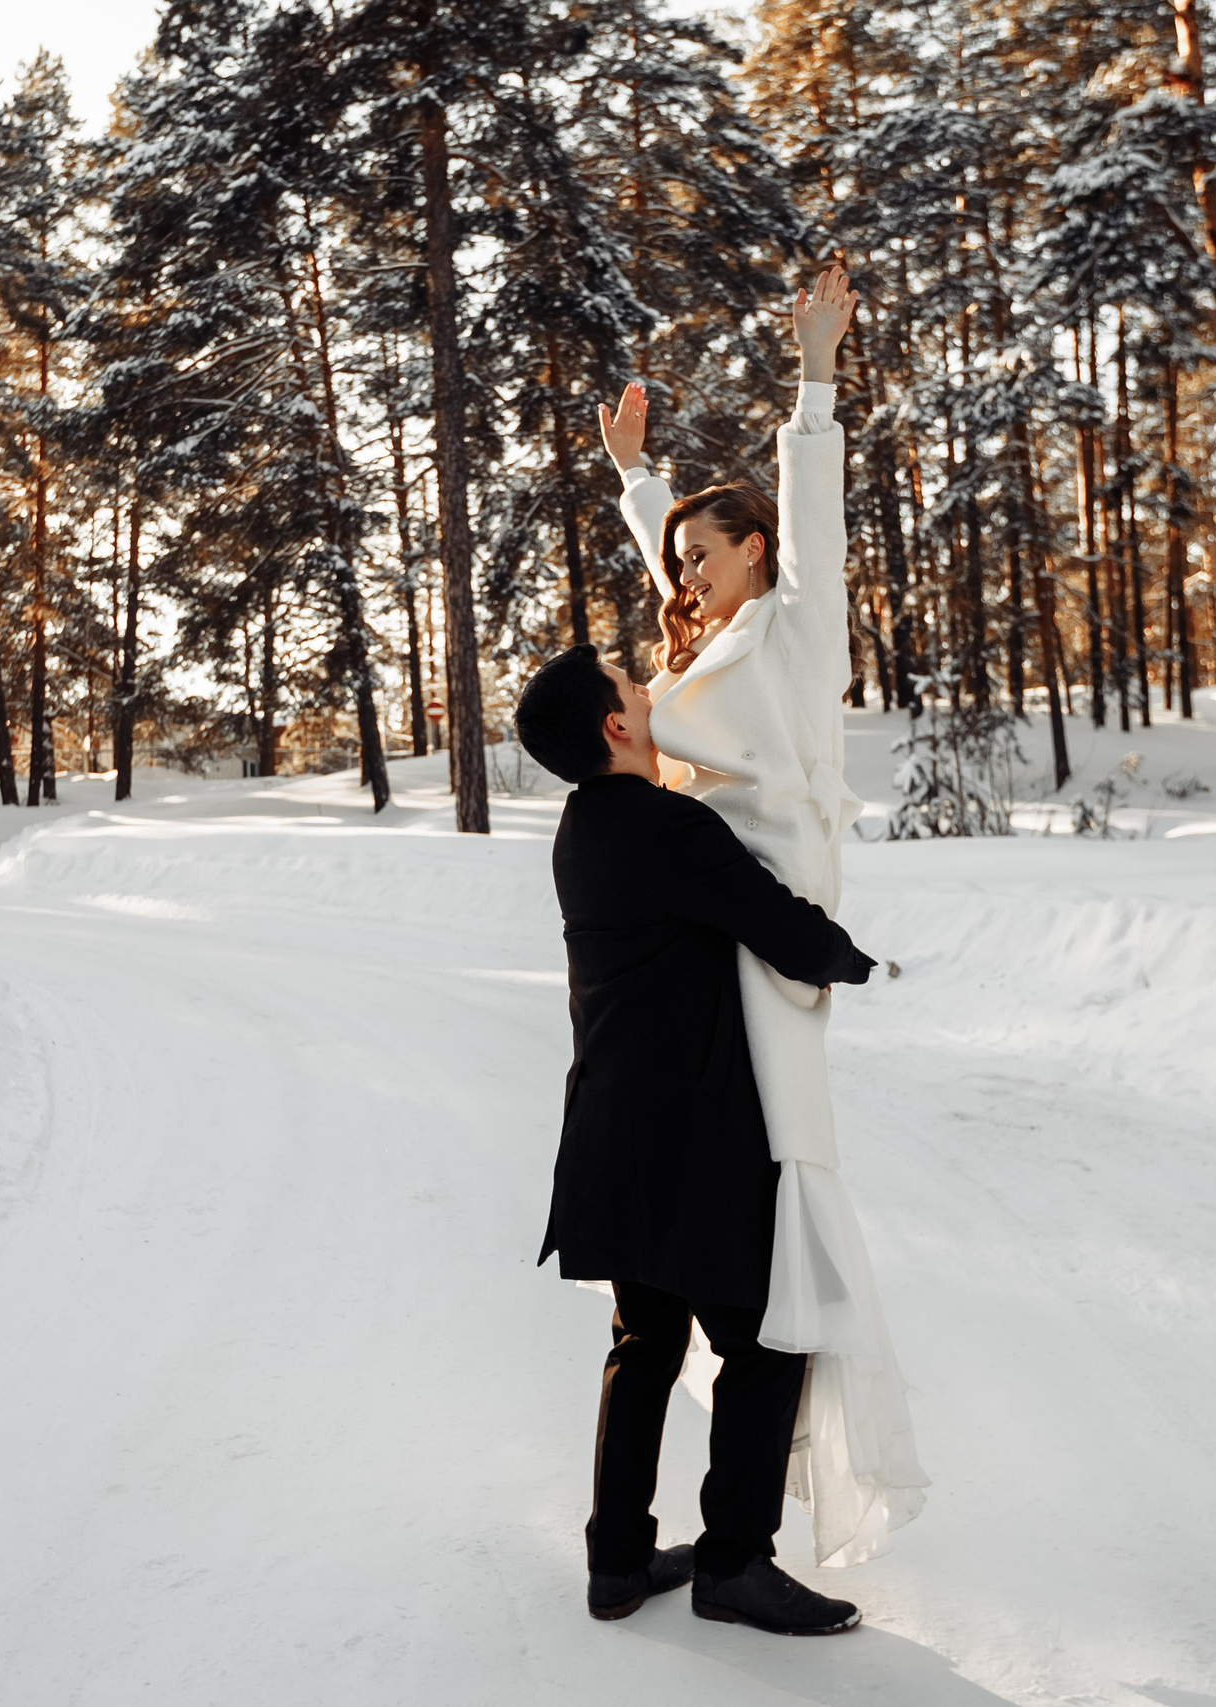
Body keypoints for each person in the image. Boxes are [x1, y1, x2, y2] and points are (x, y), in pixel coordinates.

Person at [595, 265, 927, 1570]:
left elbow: (811, 516)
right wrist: (639, 480)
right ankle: (691, 1538)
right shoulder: (704, 642)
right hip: (687, 963)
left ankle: (738, 1534)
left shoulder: (796, 631)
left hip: (765, 955)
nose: (685, 576)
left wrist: (819, 379)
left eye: (705, 555)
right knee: (697, 1241)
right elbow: (669, 558)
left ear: (757, 559)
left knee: (778, 1232)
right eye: (678, 562)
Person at [514, 643, 879, 1636]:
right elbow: (780, 926)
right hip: (684, 1140)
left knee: (644, 1340)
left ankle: (616, 1560)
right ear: (615, 727)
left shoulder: (584, 825)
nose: (650, 692)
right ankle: (732, 1565)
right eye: (634, 690)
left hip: (611, 1129)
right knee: (765, 1344)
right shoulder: (668, 825)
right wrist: (851, 958)